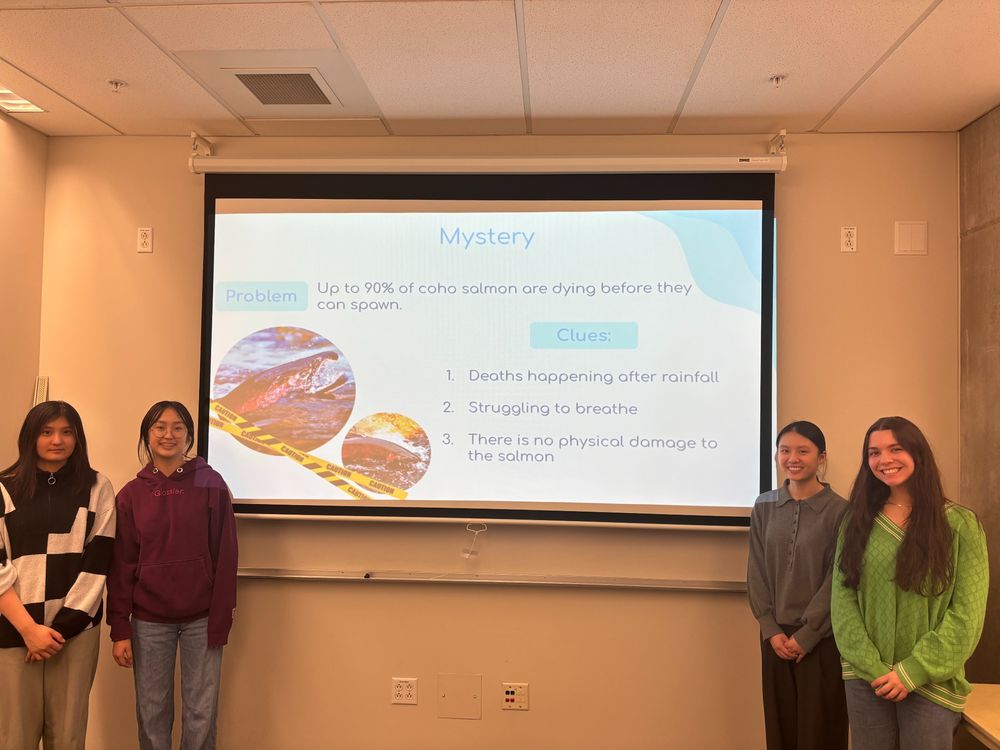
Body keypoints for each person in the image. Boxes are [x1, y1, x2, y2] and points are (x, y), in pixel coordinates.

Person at [832, 416, 989, 750]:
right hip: (866, 680)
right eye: (874, 452)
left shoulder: (960, 524)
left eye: (895, 448)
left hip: (932, 682)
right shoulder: (856, 521)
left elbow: (967, 615)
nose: (884, 459)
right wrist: (872, 667)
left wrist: (912, 671)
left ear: (918, 453)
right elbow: (843, 601)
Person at [107, 401, 238, 750]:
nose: (169, 434)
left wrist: (221, 617)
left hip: (202, 618)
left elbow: (226, 556)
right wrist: (120, 628)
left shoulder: (211, 484)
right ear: (147, 436)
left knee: (201, 715)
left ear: (190, 436)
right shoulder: (130, 496)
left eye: (178, 427)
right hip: (149, 622)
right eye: (159, 427)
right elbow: (120, 567)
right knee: (151, 716)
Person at [0, 400, 116, 749]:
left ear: (78, 438)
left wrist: (57, 631)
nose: (57, 440)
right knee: (14, 736)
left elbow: (98, 564)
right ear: (30, 437)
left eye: (67, 432)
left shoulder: (98, 486)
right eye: (47, 431)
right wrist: (29, 630)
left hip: (75, 633)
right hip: (14, 630)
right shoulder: (3, 487)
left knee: (67, 736)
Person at [747, 420, 849, 750]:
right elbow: (757, 570)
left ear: (821, 457)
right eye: (785, 450)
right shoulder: (763, 505)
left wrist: (807, 635)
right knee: (780, 731)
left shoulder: (841, 511)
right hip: (774, 638)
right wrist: (770, 628)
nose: (793, 458)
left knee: (820, 732)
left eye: (803, 451)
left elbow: (838, 579)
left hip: (821, 640)